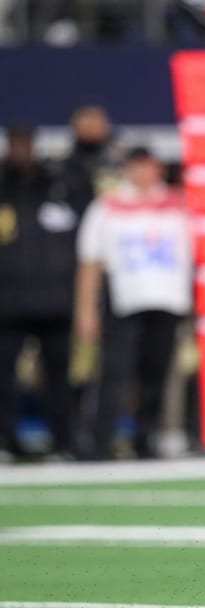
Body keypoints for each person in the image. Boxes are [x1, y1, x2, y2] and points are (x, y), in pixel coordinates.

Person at [74, 147, 192, 460]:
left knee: (155, 375)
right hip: (124, 301)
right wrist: (85, 309)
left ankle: (146, 439)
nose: (142, 173)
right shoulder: (108, 206)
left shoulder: (180, 205)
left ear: (159, 169)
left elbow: (196, 256)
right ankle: (99, 441)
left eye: (148, 166)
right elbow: (90, 261)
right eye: (136, 166)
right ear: (126, 170)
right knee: (115, 374)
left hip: (168, 300)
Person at [0, 124, 80, 461]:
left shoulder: (57, 184)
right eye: (16, 144)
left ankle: (64, 442)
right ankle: (6, 441)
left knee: (59, 377)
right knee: (3, 376)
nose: (22, 150)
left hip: (55, 301)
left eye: (26, 144)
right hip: (8, 302)